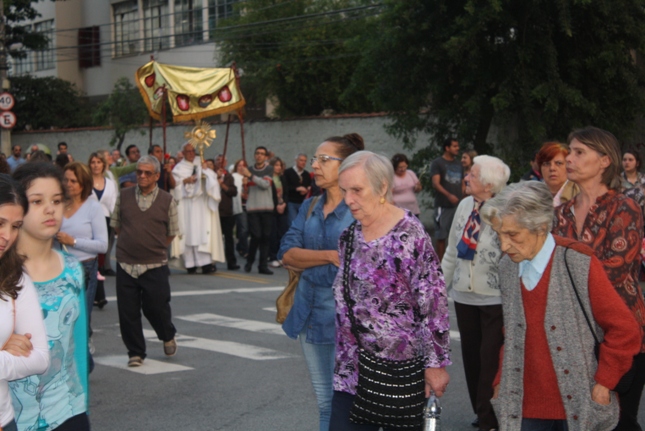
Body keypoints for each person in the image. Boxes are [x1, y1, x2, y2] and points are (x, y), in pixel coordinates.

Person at [481, 181, 642, 431]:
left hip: (579, 405)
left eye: (513, 235)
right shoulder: (507, 267)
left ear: (540, 227)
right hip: (523, 407)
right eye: (498, 234)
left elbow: (625, 329)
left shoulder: (577, 263)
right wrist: (500, 381)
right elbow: (511, 333)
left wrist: (604, 383)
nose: (504, 245)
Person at [330, 151, 451, 430]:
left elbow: (434, 303)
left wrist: (435, 365)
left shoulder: (409, 235)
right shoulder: (349, 237)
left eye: (357, 190)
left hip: (399, 375)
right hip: (351, 373)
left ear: (382, 186)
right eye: (344, 191)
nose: (348, 199)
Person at [552, 126, 645, 431]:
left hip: (619, 334)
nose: (569, 159)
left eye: (579, 152)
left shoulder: (625, 208)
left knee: (618, 422)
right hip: (571, 337)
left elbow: (614, 272)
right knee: (576, 420)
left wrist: (563, 277)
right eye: (570, 151)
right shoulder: (561, 213)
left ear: (605, 161)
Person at [279, 133, 364, 431]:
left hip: (345, 321)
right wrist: (329, 256)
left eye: (324, 159)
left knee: (346, 403)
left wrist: (308, 257)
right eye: (315, 159)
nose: (315, 165)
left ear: (347, 166)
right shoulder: (311, 206)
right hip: (308, 314)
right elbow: (286, 254)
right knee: (325, 402)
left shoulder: (359, 210)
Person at [11, 162, 91, 430]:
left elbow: (77, 347)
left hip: (68, 411)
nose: (50, 209)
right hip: (14, 417)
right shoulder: (5, 273)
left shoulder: (72, 269)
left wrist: (82, 404)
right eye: (37, 201)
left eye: (56, 201)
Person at [441, 155, 510, 431]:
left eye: (472, 174)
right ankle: (481, 412)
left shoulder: (506, 208)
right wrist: (438, 289)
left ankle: (489, 418)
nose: (466, 177)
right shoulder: (464, 205)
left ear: (489, 184)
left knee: (490, 360)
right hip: (463, 297)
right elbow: (451, 251)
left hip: (495, 299)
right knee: (472, 360)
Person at [111, 155, 179, 367]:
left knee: (156, 307)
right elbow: (116, 225)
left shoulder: (167, 200)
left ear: (157, 176)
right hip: (126, 263)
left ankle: (167, 334)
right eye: (139, 172)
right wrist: (131, 242)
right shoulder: (124, 196)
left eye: (147, 173)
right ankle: (135, 352)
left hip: (155, 264)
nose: (141, 176)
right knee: (128, 312)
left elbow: (172, 232)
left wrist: (153, 247)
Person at [0, 174, 49, 431]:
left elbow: (40, 358)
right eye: (0, 223)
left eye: (16, 226)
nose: (7, 236)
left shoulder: (15, 277)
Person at [56, 161, 108, 331]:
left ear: (83, 183)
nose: (68, 184)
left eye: (73, 181)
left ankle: (84, 343)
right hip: (59, 267)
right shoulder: (58, 205)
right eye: (65, 180)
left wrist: (73, 241)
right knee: (61, 319)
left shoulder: (93, 207)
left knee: (80, 318)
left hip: (84, 268)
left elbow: (103, 246)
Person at [172, 142, 225, 274]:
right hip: (186, 204)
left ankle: (206, 263)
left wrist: (206, 172)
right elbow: (174, 186)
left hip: (201, 203)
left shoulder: (201, 163)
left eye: (193, 151)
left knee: (203, 232)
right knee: (188, 233)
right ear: (183, 153)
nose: (191, 154)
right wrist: (185, 181)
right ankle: (190, 264)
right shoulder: (179, 168)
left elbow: (212, 180)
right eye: (188, 151)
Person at [88, 151, 118, 308]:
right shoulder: (85, 181)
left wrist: (117, 224)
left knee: (100, 258)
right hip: (88, 222)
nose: (96, 165)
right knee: (90, 257)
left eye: (98, 162)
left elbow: (114, 205)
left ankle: (98, 294)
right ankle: (97, 294)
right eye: (93, 162)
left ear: (103, 165)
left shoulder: (110, 183)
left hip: (105, 221)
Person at [239, 146, 275, 275]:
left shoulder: (269, 169)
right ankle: (250, 261)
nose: (259, 155)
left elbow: (266, 184)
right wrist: (244, 183)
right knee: (256, 236)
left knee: (265, 237)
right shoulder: (248, 169)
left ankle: (262, 266)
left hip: (267, 207)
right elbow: (244, 191)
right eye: (257, 153)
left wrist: (250, 176)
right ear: (254, 155)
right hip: (253, 208)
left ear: (265, 157)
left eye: (262, 154)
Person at [430, 137, 463, 260]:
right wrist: (449, 195)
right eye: (454, 146)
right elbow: (436, 183)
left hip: (458, 205)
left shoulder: (459, 164)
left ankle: (454, 262)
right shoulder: (438, 163)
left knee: (457, 235)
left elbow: (462, 182)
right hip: (443, 205)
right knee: (441, 235)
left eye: (458, 146)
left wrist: (463, 197)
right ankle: (440, 264)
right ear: (447, 148)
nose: (457, 148)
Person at [214, 154, 239, 270]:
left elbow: (233, 192)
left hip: (226, 212)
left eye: (222, 160)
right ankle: (211, 263)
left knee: (229, 238)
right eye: (218, 160)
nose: (220, 162)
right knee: (214, 238)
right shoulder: (210, 175)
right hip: (214, 212)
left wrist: (222, 185)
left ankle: (231, 262)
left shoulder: (229, 177)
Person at [536, 142, 579, 206]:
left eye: (558, 163)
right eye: (547, 164)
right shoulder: (532, 194)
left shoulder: (580, 193)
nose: (552, 168)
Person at [269, 157, 288, 268]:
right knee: (273, 233)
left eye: (280, 165)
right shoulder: (269, 178)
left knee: (282, 232)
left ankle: (281, 256)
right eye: (276, 165)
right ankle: (273, 256)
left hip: (283, 207)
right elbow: (270, 194)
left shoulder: (282, 178)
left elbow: (286, 193)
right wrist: (276, 205)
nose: (278, 167)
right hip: (272, 208)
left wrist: (284, 203)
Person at [283, 153, 312, 225]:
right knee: (293, 222)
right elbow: (285, 187)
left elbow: (309, 185)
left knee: (302, 222)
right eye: (301, 160)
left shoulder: (306, 174)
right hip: (291, 202)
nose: (303, 162)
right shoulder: (288, 172)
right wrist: (296, 189)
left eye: (305, 161)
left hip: (303, 202)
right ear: (296, 160)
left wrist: (307, 189)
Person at [232, 159, 249, 258]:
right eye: (239, 165)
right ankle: (245, 249)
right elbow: (234, 190)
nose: (241, 167)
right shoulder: (234, 177)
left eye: (243, 165)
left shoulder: (249, 176)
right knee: (244, 228)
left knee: (249, 229)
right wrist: (241, 194)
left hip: (250, 205)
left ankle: (240, 245)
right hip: (240, 205)